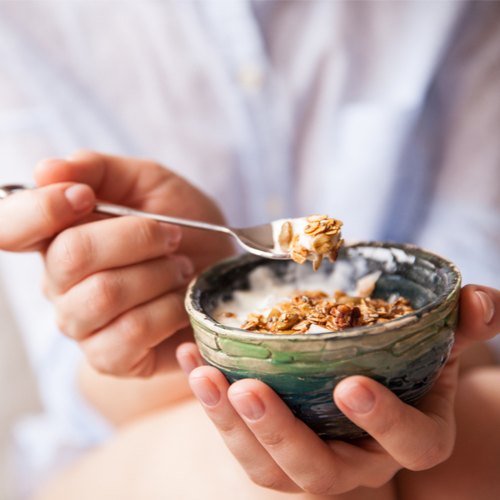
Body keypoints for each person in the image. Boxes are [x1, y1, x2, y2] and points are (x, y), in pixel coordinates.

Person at [0, 1, 500, 498]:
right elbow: (85, 391)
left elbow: (473, 313)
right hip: (138, 425)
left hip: (444, 380)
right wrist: (179, 319)